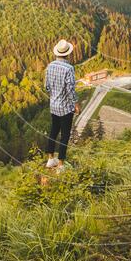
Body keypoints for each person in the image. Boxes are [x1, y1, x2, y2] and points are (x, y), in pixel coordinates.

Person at [44, 39, 80, 172]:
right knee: (65, 135)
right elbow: (70, 89)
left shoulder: (50, 66)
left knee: (53, 131)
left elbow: (47, 87)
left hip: (53, 106)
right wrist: (76, 103)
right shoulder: (69, 68)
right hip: (66, 108)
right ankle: (60, 165)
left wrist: (55, 95)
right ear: (67, 54)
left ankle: (50, 159)